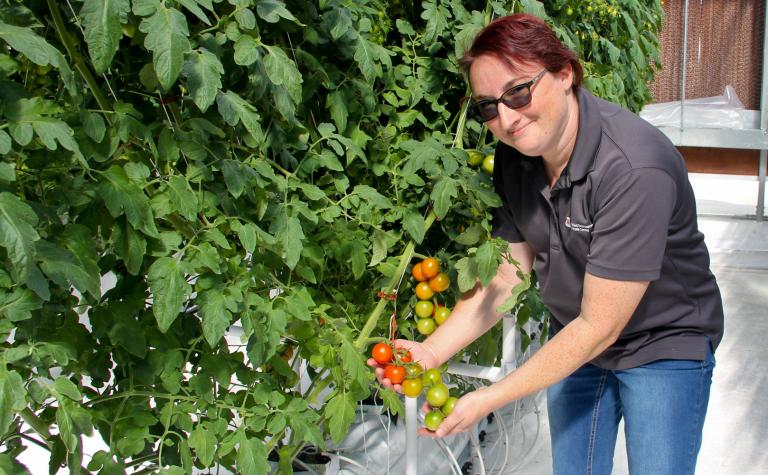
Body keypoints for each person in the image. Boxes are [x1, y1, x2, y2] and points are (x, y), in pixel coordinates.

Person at [367, 13, 724, 475]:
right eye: (488, 107)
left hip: (663, 343)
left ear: (564, 73)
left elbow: (600, 325)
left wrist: (490, 397)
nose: (507, 118)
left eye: (518, 91)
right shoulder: (517, 160)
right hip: (577, 335)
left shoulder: (633, 168)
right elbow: (506, 277)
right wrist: (431, 351)